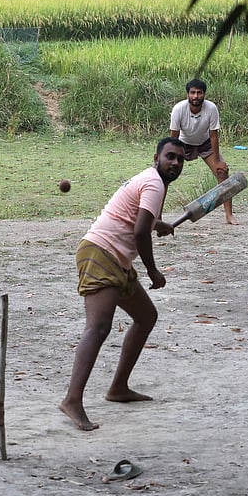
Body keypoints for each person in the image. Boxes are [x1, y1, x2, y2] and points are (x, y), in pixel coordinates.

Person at [59, 138, 186, 431]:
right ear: (156, 157)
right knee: (98, 327)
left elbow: (135, 218)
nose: (175, 163)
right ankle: (72, 400)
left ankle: (118, 388)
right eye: (170, 156)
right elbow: (140, 231)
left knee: (146, 316)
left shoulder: (152, 181)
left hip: (115, 258)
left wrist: (158, 224)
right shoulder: (154, 183)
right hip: (102, 253)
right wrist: (153, 271)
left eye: (180, 159)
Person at [169, 78, 236, 224]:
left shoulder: (211, 108)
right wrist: (168, 157)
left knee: (222, 173)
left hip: (205, 143)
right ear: (187, 94)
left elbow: (214, 135)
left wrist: (218, 161)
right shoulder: (179, 109)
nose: (196, 96)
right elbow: (174, 135)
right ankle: (157, 216)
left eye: (199, 93)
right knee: (163, 175)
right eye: (192, 93)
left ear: (204, 94)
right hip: (183, 143)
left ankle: (229, 215)